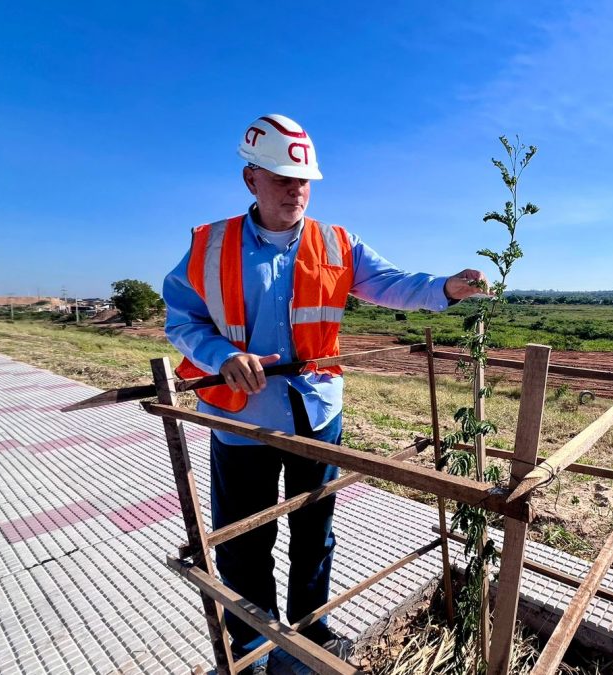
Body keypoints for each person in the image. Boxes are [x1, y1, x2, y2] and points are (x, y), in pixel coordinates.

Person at [162, 114, 486, 671]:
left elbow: (392, 283)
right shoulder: (208, 245)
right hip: (242, 418)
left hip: (316, 410)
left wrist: (445, 289)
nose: (295, 189)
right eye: (282, 177)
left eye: (303, 179)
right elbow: (182, 321)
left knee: (315, 529)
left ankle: (311, 629)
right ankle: (253, 644)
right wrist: (222, 356)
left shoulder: (336, 242)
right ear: (251, 180)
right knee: (244, 539)